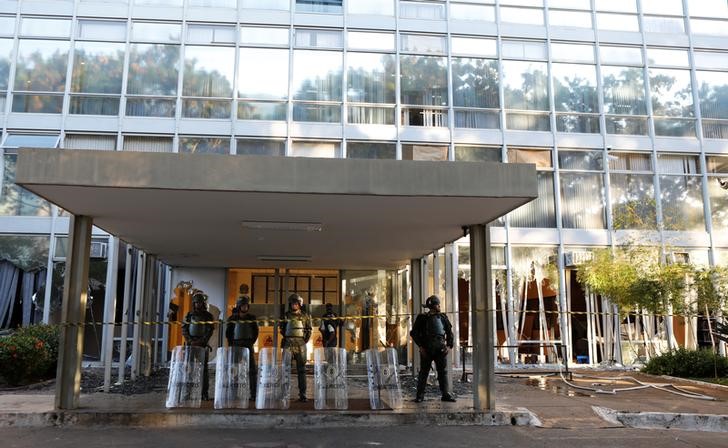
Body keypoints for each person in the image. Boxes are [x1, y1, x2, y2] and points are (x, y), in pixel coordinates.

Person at [410, 295, 456, 403]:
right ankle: (420, 395)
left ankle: (445, 394)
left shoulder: (443, 317)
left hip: (440, 349)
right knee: (424, 372)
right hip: (426, 348)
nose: (439, 306)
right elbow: (414, 333)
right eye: (438, 304)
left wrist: (449, 346)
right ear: (433, 306)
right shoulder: (422, 318)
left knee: (442, 372)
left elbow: (449, 332)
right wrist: (421, 346)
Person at [182, 291, 215, 400]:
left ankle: (204, 393)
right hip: (191, 344)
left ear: (203, 303)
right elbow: (184, 329)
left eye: (200, 303)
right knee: (189, 369)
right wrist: (190, 340)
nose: (198, 305)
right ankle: (188, 392)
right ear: (194, 303)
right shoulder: (189, 315)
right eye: (196, 303)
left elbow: (209, 330)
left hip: (203, 345)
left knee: (204, 370)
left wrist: (202, 341)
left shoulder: (208, 316)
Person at [225, 295, 259, 400]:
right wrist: (232, 344)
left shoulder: (252, 318)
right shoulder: (232, 318)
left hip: (248, 344)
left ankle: (253, 394)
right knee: (234, 370)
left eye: (246, 305)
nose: (244, 307)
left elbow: (255, 332)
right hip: (236, 344)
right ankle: (234, 394)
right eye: (242, 305)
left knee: (252, 371)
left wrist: (250, 342)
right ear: (239, 306)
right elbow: (228, 333)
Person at [280, 293, 312, 402]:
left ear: (299, 304)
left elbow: (309, 330)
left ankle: (302, 394)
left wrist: (303, 341)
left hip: (300, 343)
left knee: (302, 369)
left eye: (296, 303)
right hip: (288, 342)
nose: (294, 305)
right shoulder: (286, 315)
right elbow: (282, 329)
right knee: (286, 369)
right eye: (293, 303)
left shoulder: (305, 316)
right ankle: (285, 393)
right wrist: (287, 338)